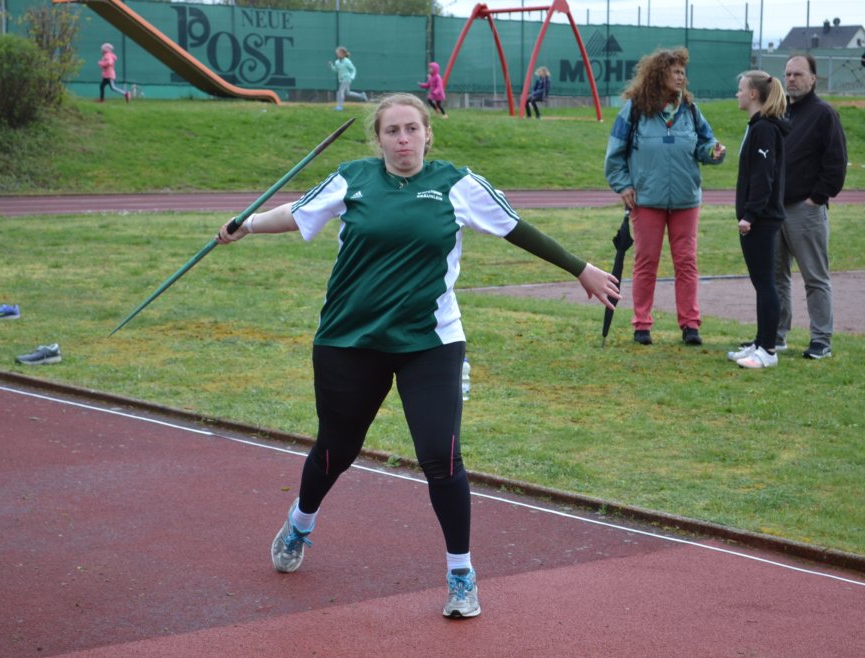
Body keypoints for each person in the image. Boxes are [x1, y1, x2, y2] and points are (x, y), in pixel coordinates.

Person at [214, 93, 620, 619]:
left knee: (441, 458)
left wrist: (580, 268)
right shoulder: (352, 178)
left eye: (412, 129)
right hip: (349, 340)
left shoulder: (457, 184)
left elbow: (516, 229)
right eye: (392, 131)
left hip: (431, 342)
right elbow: (296, 212)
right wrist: (246, 225)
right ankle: (301, 522)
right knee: (336, 450)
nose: (403, 139)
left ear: (428, 134)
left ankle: (461, 575)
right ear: (378, 139)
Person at [604, 47, 726, 347]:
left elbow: (705, 144)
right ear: (659, 75)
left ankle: (690, 324)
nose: (681, 77)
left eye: (683, 72)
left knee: (687, 262)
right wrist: (623, 185)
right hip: (647, 201)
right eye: (675, 72)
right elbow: (614, 154)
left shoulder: (691, 110)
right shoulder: (634, 110)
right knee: (646, 262)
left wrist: (713, 152)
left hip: (686, 200)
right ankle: (641, 324)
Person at [777, 54, 847, 360]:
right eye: (788, 74)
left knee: (815, 277)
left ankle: (821, 339)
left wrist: (816, 198)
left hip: (805, 210)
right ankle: (776, 335)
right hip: (775, 210)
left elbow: (836, 162)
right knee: (776, 277)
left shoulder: (824, 114)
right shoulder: (781, 112)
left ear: (813, 78)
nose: (791, 79)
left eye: (798, 74)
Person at [727, 71, 790, 370]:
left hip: (762, 218)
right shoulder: (758, 126)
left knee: (766, 284)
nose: (737, 94)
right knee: (761, 283)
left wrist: (751, 214)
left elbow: (763, 178)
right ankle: (759, 342)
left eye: (741, 89)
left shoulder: (765, 128)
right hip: (759, 217)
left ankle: (768, 350)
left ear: (753, 94)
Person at [329, 46, 367, 111]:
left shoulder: (347, 61)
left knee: (340, 92)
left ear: (343, 54)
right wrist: (331, 66)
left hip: (347, 79)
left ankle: (339, 106)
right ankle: (361, 95)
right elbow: (336, 70)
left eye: (339, 53)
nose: (338, 54)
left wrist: (351, 77)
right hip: (341, 79)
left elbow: (353, 69)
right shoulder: (337, 62)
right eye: (337, 53)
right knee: (347, 93)